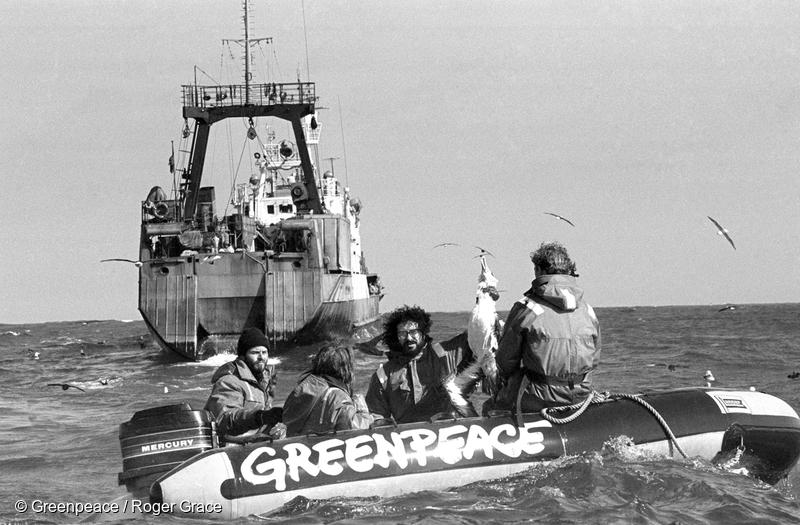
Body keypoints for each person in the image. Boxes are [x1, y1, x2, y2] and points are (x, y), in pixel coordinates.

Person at [487, 242, 601, 415]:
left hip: (539, 395)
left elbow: (505, 362)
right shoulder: (587, 309)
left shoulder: (527, 308)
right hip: (581, 393)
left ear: (539, 271)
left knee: (489, 406)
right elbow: (594, 360)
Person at [365, 305, 475, 424]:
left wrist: (484, 302)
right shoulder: (383, 375)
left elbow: (476, 335)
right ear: (396, 337)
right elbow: (376, 416)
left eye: (414, 332)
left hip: (449, 433)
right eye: (402, 334)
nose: (408, 337)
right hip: (407, 438)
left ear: (423, 333)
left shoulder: (443, 354)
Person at [204, 327, 283, 441]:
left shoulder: (265, 380)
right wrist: (259, 417)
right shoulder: (229, 381)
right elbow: (224, 419)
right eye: (255, 352)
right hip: (233, 446)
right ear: (242, 356)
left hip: (257, 441)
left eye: (264, 352)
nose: (261, 357)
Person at [282, 343, 374, 436]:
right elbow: (359, 431)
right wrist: (362, 409)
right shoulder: (338, 397)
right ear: (346, 371)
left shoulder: (303, 390)